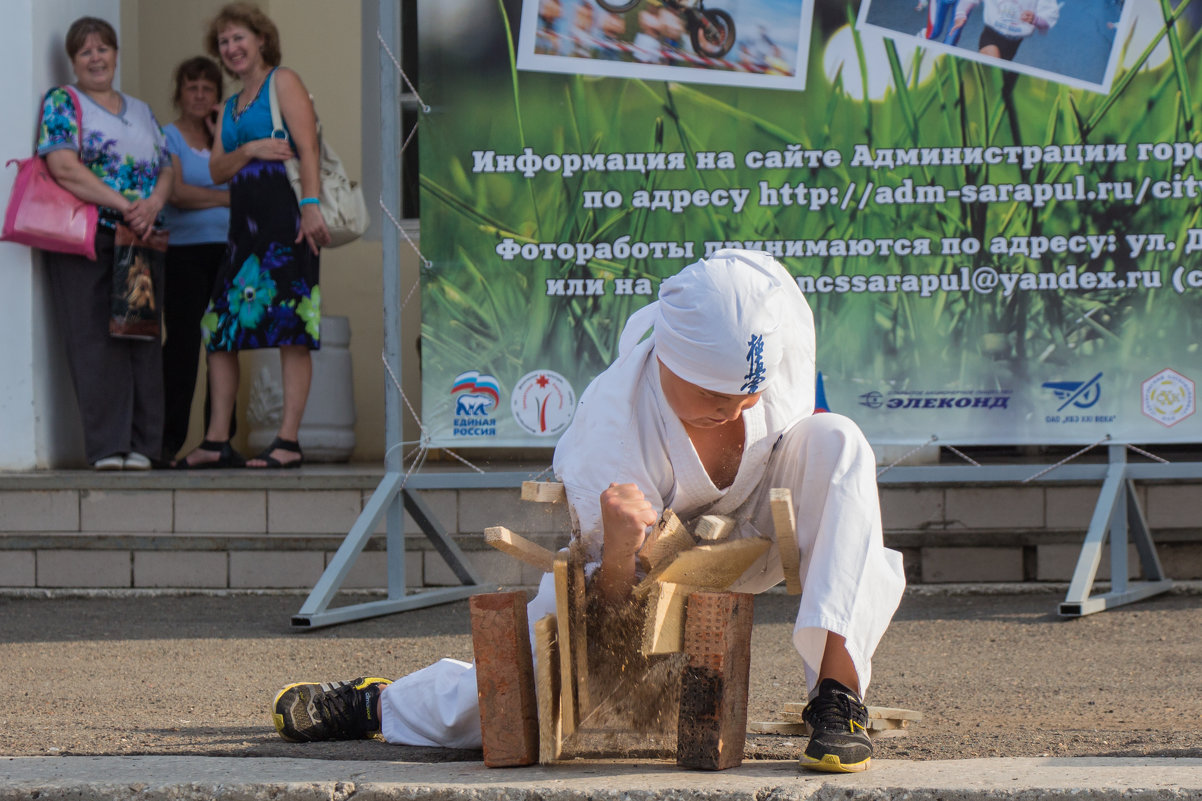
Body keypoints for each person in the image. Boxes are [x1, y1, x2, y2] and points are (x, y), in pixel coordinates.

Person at [269, 249, 906, 773]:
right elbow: (609, 615)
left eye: (748, 396)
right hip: (658, 570)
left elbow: (792, 422)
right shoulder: (610, 431)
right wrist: (624, 548)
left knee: (839, 441)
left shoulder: (774, 324)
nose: (735, 411)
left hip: (763, 530)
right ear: (666, 361)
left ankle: (838, 695)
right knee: (512, 693)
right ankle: (381, 707)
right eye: (715, 397)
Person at [173, 2, 328, 470]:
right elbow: (217, 169)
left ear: (261, 39)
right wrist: (253, 149)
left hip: (288, 220)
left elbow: (308, 149)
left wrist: (311, 208)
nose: (231, 48)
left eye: (238, 37)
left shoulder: (284, 82)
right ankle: (218, 439)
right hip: (243, 230)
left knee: (291, 328)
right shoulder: (232, 105)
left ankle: (288, 440)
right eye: (223, 42)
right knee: (218, 326)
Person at [38, 16, 174, 471]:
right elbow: (63, 166)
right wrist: (124, 204)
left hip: (140, 236)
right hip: (89, 234)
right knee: (95, 340)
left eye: (103, 49)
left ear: (116, 54)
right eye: (85, 52)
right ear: (73, 62)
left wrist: (153, 202)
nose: (96, 58)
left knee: (140, 336)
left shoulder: (139, 108)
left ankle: (142, 445)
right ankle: (107, 447)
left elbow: (167, 166)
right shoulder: (64, 101)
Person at [160, 56, 231, 464]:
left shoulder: (227, 138)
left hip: (228, 252)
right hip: (183, 254)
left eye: (208, 88)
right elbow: (178, 195)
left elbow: (245, 179)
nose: (200, 95)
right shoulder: (167, 136)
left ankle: (219, 441)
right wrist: (225, 198)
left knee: (224, 346)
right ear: (180, 93)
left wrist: (222, 133)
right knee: (183, 346)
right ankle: (168, 443)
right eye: (192, 87)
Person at [949, 0, 1059, 60]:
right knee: (991, 63)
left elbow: (1048, 20)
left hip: (1014, 41)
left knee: (998, 72)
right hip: (991, 34)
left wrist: (1036, 20)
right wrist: (961, 14)